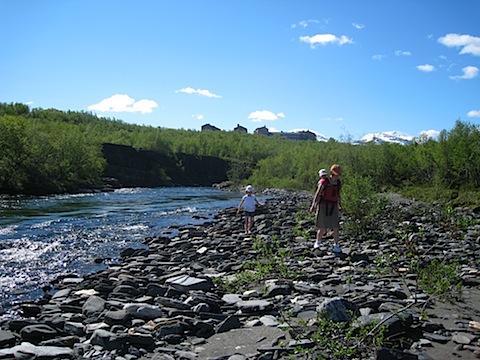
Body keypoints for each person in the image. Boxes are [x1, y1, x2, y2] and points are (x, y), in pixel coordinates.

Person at [309, 164, 343, 253]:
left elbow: (338, 195)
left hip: (333, 206)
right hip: (323, 205)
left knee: (336, 227)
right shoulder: (324, 182)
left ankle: (336, 245)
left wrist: (340, 206)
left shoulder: (338, 183)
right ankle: (317, 242)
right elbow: (318, 193)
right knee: (321, 226)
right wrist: (314, 205)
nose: (336, 175)